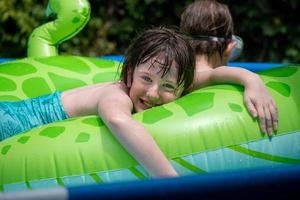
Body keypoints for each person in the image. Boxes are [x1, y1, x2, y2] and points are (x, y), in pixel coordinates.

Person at [0, 27, 195, 177]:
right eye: (146, 79)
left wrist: (224, 74)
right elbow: (118, 121)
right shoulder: (117, 95)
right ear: (129, 73)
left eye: (168, 86)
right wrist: (169, 179)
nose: (153, 93)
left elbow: (203, 77)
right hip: (11, 122)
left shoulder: (147, 82)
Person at [180, 0, 278, 136]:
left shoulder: (176, 70)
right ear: (230, 47)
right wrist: (251, 79)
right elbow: (210, 75)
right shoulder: (192, 77)